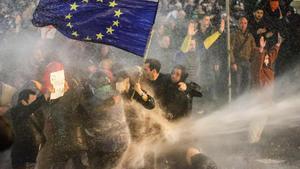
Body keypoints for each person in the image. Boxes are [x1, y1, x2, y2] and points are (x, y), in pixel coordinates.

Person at [35, 61, 87, 169]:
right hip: (57, 136)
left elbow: (78, 108)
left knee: (72, 160)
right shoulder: (46, 93)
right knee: (60, 161)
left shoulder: (69, 89)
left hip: (69, 134)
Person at [82, 70, 130, 169]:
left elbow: (93, 110)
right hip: (122, 141)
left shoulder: (95, 98)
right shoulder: (117, 94)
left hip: (106, 143)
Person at [9, 89, 46, 169]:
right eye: (33, 100)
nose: (35, 103)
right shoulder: (15, 111)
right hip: (21, 155)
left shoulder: (37, 112)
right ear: (23, 101)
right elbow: (27, 110)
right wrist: (44, 97)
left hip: (35, 155)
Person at [231, 16, 256, 97]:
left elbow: (253, 49)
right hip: (238, 61)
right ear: (238, 24)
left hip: (247, 61)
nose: (243, 25)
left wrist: (251, 60)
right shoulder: (234, 35)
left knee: (247, 82)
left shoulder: (250, 36)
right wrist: (233, 62)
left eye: (245, 23)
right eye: (241, 23)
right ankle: (237, 101)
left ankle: (245, 100)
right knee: (238, 83)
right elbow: (230, 49)